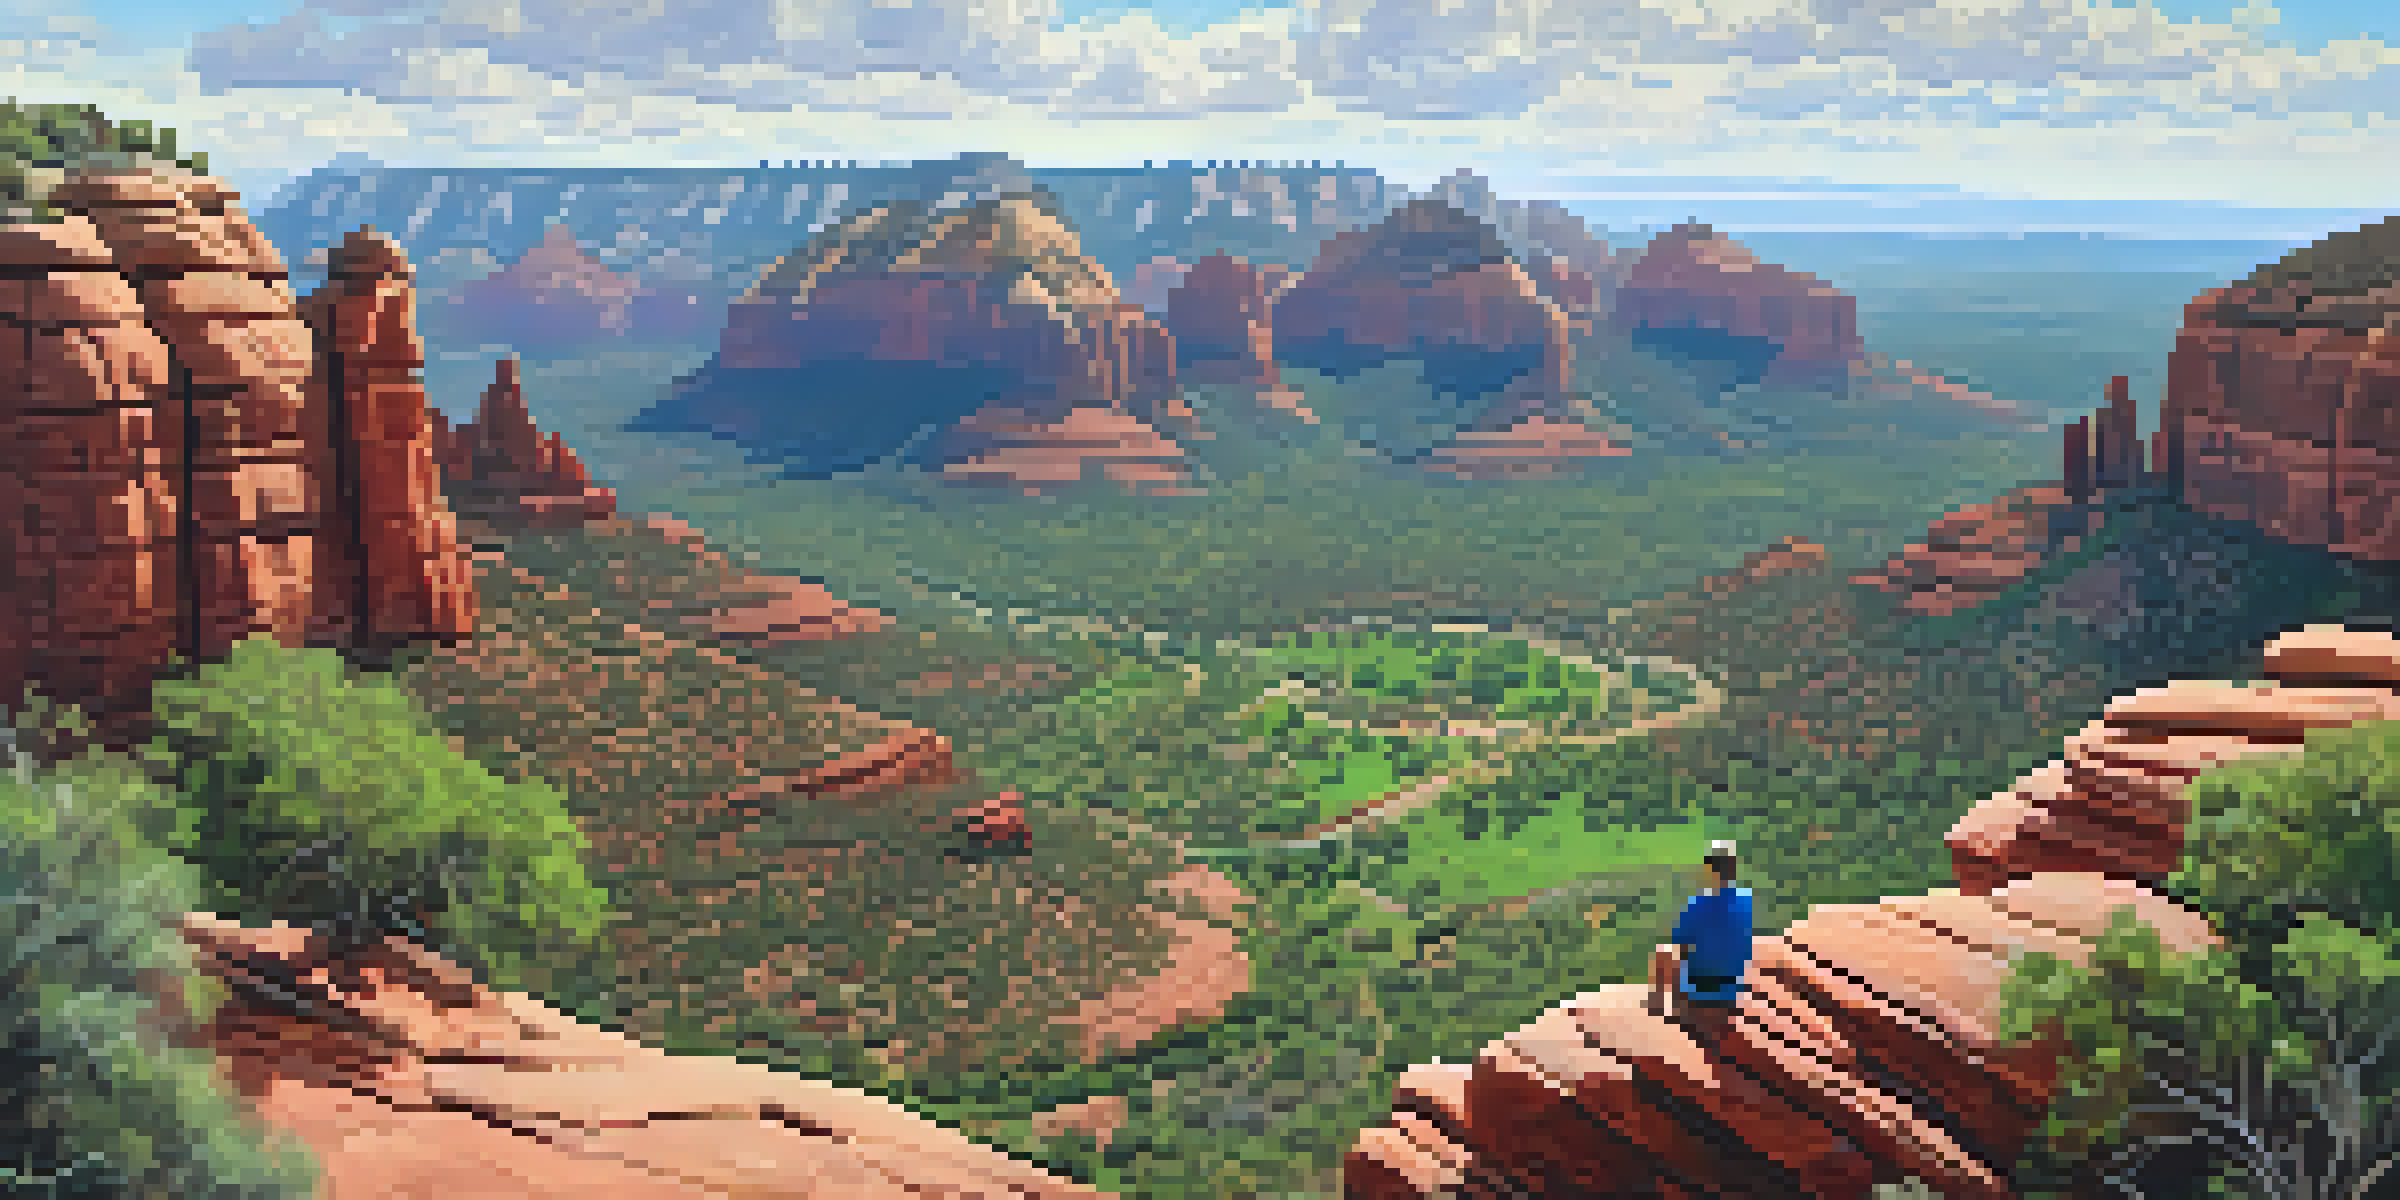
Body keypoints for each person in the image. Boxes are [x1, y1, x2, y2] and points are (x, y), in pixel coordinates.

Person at [1646, 840, 1754, 1052]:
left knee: (1663, 953)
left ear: (1709, 868)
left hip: (1701, 992)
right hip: (1732, 990)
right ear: (1733, 868)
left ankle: (1661, 1010)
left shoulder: (1697, 904)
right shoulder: (1746, 900)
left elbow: (1680, 946)